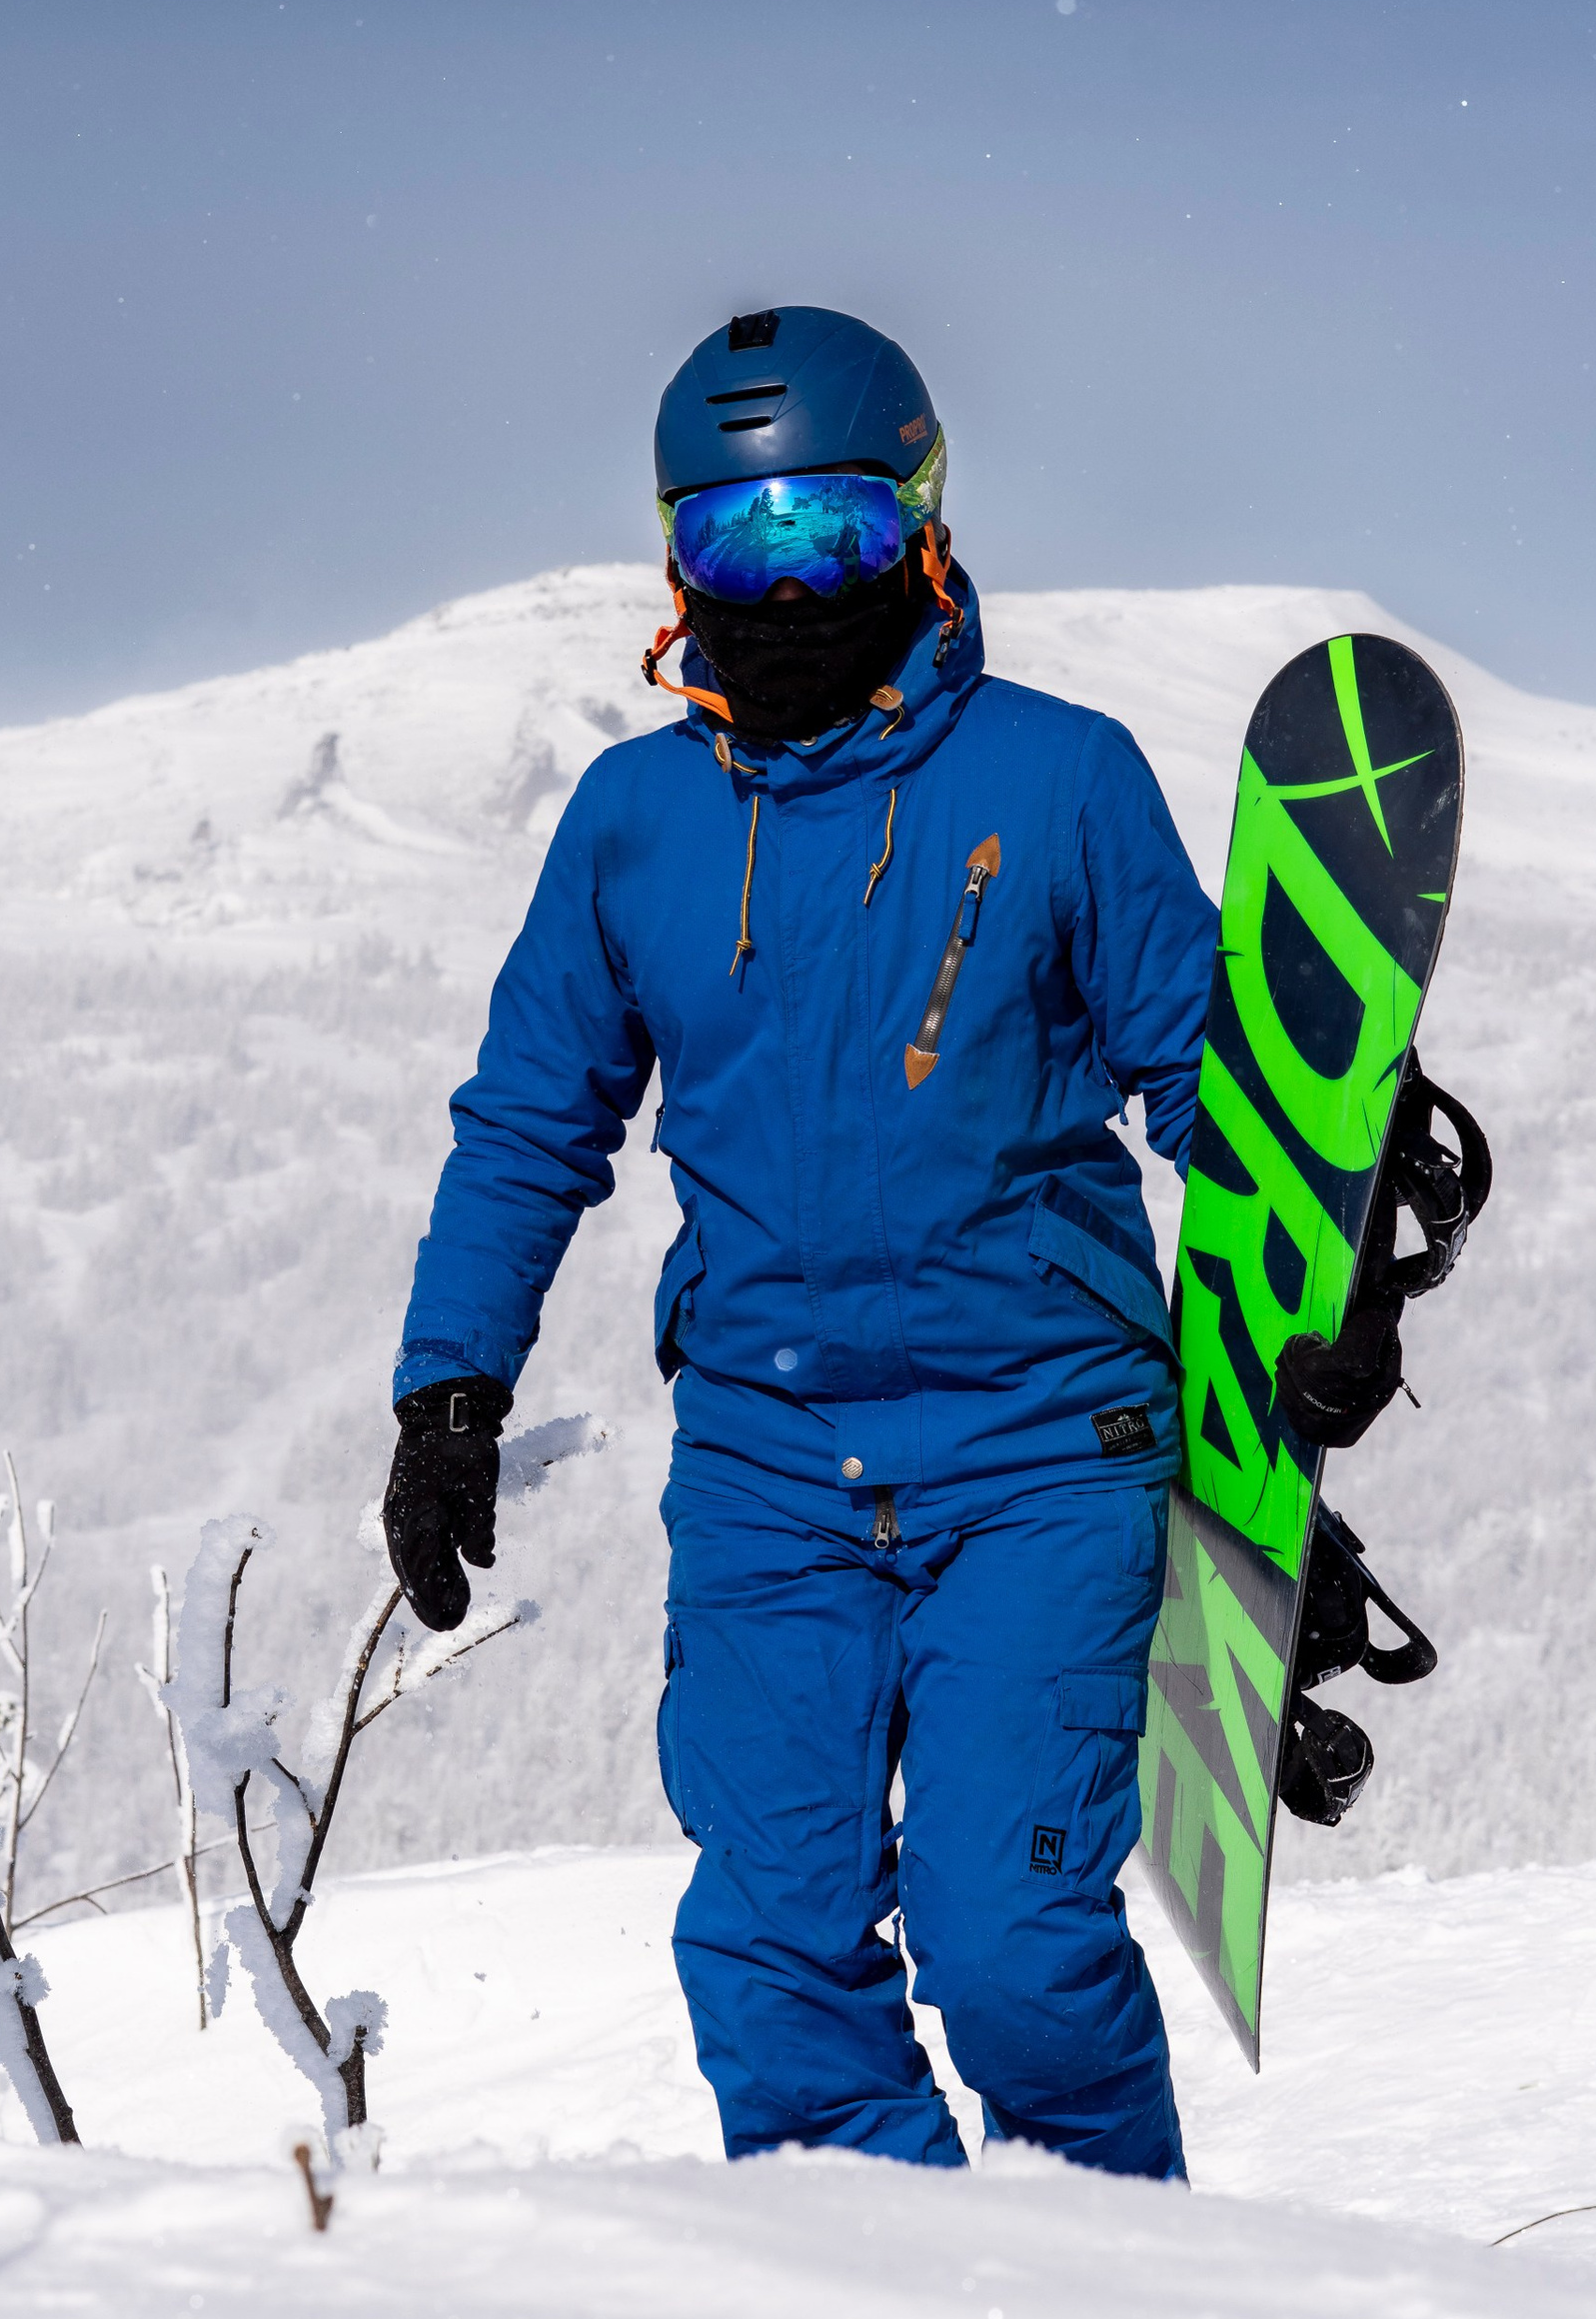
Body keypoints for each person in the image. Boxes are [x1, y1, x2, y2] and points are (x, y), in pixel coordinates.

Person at [381, 306, 1218, 2177]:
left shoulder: (1063, 782)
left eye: (823, 534)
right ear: (673, 563)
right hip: (769, 1465)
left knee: (1012, 1951)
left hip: (1041, 1446)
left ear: (917, 525)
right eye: (730, 546)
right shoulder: (632, 822)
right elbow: (531, 1122)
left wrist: (1304, 1280)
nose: (782, 590)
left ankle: (1116, 2311)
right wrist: (450, 1389)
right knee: (770, 1961)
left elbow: (1207, 1096)